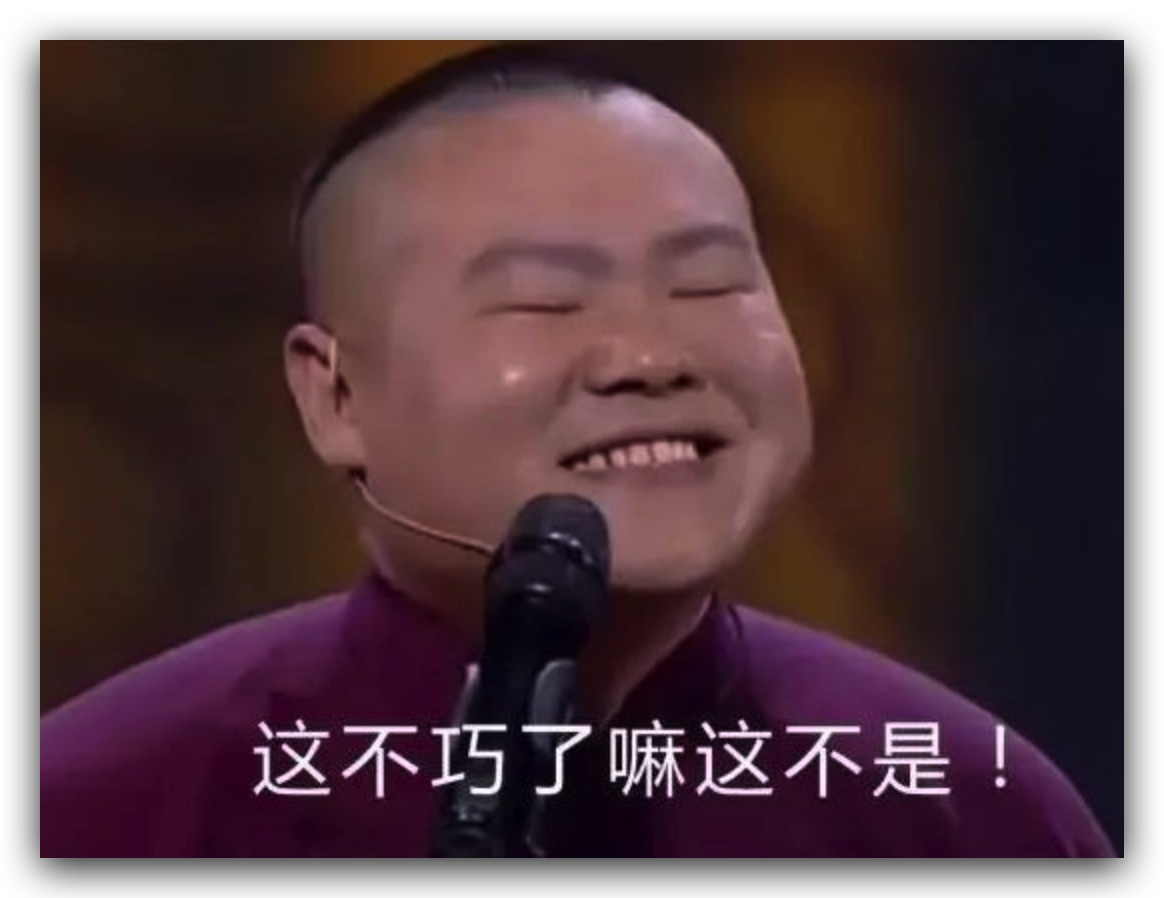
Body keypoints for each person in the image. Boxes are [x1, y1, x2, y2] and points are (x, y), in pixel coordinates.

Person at [40, 44, 1114, 858]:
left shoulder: (966, 810)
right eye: (543, 301)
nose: (650, 356)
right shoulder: (101, 807)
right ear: (336, 396)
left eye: (709, 283)